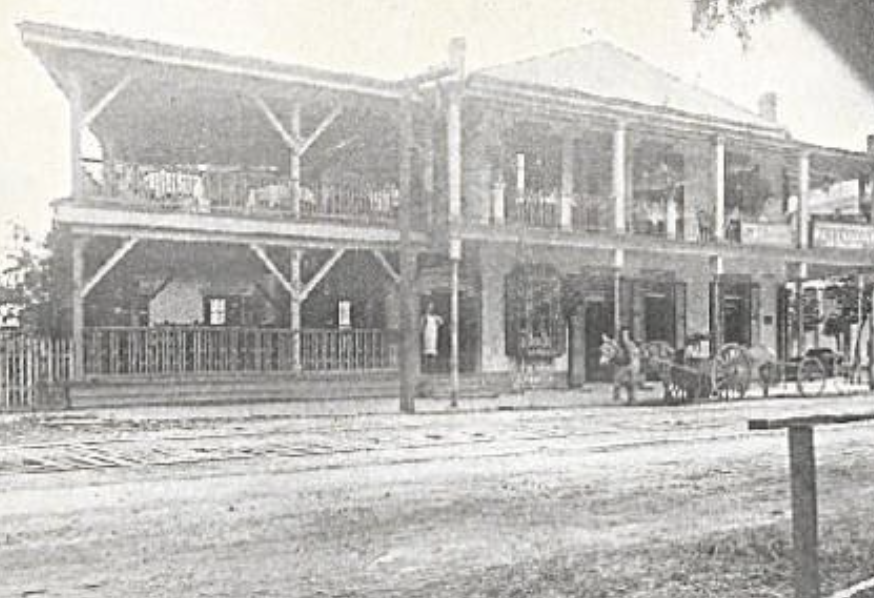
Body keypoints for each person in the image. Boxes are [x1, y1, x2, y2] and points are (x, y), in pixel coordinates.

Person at [421, 301, 444, 372]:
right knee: (427, 349)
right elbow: (422, 325)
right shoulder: (425, 317)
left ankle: (433, 367)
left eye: (431, 307)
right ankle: (426, 366)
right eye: (429, 307)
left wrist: (437, 323)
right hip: (427, 333)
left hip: (433, 333)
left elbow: (441, 322)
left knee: (433, 348)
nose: (430, 309)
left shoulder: (436, 317)